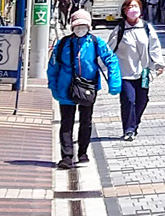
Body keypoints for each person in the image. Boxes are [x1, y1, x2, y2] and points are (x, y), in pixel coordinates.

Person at [47, 9, 120, 169]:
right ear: (72, 27)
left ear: (89, 27)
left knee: (86, 121)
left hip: (88, 87)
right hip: (66, 88)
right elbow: (53, 66)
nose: (80, 29)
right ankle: (66, 156)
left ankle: (82, 152)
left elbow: (111, 59)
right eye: (77, 26)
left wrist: (114, 82)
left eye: (84, 26)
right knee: (66, 122)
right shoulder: (63, 44)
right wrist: (53, 86)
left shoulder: (95, 42)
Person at [112, 0, 165, 141]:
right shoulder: (120, 29)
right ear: (124, 10)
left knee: (142, 100)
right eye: (129, 7)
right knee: (129, 100)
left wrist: (159, 64)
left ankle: (134, 124)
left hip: (144, 72)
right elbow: (109, 51)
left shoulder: (146, 28)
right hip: (125, 72)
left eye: (135, 6)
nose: (133, 9)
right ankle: (129, 129)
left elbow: (155, 47)